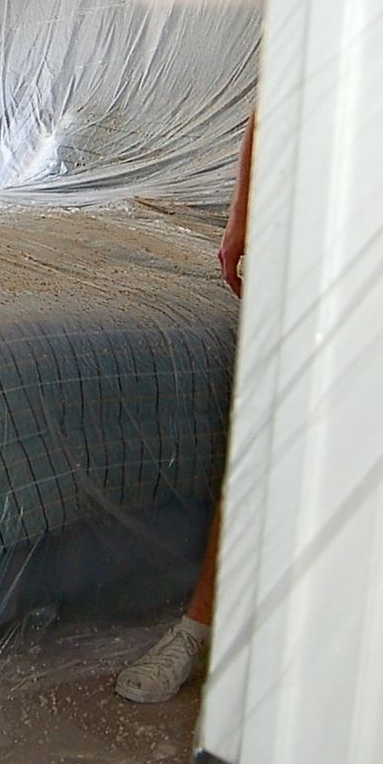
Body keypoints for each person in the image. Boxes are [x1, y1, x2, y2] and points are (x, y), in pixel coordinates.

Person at [114, 109, 254, 704]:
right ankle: (198, 628)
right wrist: (239, 220)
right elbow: (267, 105)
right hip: (309, 220)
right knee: (257, 439)